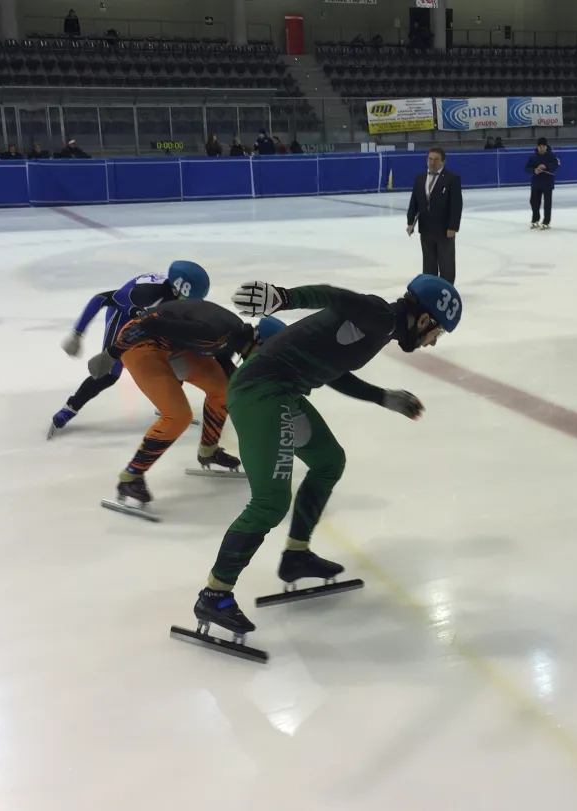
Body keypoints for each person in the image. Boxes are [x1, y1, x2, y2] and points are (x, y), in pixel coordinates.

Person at [190, 274, 463, 647]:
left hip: (282, 392)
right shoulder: (379, 315)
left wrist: (382, 397)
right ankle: (214, 595)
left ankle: (296, 556)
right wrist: (283, 297)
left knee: (328, 461)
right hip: (261, 393)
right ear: (424, 318)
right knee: (270, 501)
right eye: (438, 332)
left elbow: (333, 370)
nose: (432, 342)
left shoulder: (378, 329)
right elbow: (335, 296)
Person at [86, 304, 285, 518]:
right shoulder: (215, 333)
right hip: (142, 343)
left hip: (175, 345)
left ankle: (208, 450)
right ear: (259, 344)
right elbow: (150, 324)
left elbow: (220, 355)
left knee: (225, 392)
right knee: (177, 415)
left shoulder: (235, 335)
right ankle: (131, 476)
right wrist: (112, 353)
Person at [49, 261, 210, 438]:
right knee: (109, 373)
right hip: (123, 316)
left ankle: (166, 404)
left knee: (176, 358)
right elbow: (101, 298)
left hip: (149, 318)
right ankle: (69, 409)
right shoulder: (145, 294)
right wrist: (77, 333)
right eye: (186, 300)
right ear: (175, 290)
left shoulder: (175, 296)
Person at [406, 147, 462, 283]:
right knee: (428, 263)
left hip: (444, 230)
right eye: (430, 159)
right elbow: (414, 201)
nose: (432, 162)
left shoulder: (452, 179)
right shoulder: (420, 178)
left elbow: (456, 205)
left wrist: (453, 227)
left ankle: (446, 289)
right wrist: (410, 221)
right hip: (425, 228)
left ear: (443, 161)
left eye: (436, 160)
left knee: (446, 263)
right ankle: (430, 289)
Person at [526, 137, 560, 230]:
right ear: (537, 147)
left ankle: (546, 221)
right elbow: (527, 168)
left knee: (547, 204)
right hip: (536, 183)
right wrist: (534, 170)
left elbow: (557, 164)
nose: (541, 148)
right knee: (533, 202)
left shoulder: (552, 156)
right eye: (540, 146)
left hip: (547, 183)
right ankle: (535, 219)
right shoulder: (533, 157)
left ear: (546, 146)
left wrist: (546, 166)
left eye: (543, 146)